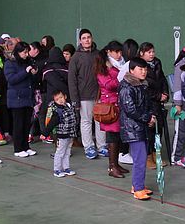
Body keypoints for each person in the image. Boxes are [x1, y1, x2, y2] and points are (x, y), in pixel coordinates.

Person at [119, 58, 155, 201]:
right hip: (132, 128)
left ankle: (138, 185)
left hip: (141, 127)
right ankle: (138, 189)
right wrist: (147, 118)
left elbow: (147, 105)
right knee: (140, 159)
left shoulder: (142, 86)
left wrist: (151, 116)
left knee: (142, 157)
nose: (144, 72)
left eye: (145, 69)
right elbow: (130, 110)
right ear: (131, 71)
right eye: (140, 69)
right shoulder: (127, 88)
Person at [68, 29, 107, 159]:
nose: (87, 40)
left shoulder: (98, 54)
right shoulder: (75, 57)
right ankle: (89, 147)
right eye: (84, 38)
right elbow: (72, 80)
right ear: (80, 41)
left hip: (99, 94)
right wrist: (75, 99)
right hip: (83, 96)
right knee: (86, 121)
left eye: (88, 37)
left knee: (100, 120)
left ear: (92, 38)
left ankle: (102, 146)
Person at [95, 44, 128, 178]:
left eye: (120, 52)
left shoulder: (120, 65)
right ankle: (112, 166)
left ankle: (116, 164)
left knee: (118, 135)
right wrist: (122, 77)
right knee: (112, 136)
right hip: (110, 107)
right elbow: (108, 84)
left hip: (119, 104)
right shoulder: (103, 67)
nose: (119, 55)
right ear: (109, 52)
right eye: (116, 52)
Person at [4, 41, 38, 158]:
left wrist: (33, 72)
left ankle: (26, 147)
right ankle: (18, 148)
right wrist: (25, 72)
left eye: (27, 52)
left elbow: (31, 80)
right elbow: (11, 79)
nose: (26, 54)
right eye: (24, 52)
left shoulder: (28, 62)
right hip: (16, 99)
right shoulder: (10, 63)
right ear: (18, 52)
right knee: (18, 124)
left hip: (28, 97)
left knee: (26, 124)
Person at [43, 90, 78, 177]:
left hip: (70, 134)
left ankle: (66, 168)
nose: (60, 100)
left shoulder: (69, 106)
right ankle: (57, 169)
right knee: (60, 152)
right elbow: (52, 123)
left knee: (67, 152)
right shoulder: (58, 111)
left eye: (61, 97)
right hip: (62, 135)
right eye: (57, 99)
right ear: (55, 101)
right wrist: (45, 133)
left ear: (65, 97)